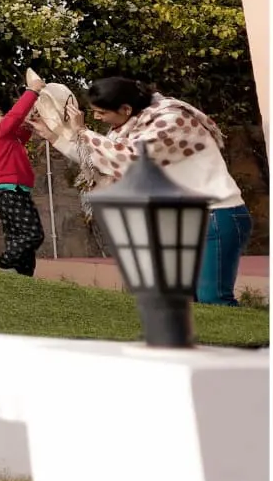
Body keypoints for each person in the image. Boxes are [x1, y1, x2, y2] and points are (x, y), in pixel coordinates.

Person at [75, 72, 252, 310]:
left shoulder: (172, 120)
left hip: (216, 215)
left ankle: (248, 346)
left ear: (126, 109)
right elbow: (102, 159)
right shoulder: (134, 129)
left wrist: (81, 133)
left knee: (214, 301)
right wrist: (54, 133)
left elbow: (129, 158)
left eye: (102, 112)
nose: (97, 117)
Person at [0, 75, 49, 279]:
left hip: (15, 191)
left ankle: (22, 274)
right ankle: (1, 266)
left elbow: (20, 135)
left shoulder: (1, 137)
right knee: (32, 235)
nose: (5, 118)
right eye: (0, 116)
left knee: (17, 237)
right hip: (11, 191)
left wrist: (28, 124)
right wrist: (32, 91)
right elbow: (13, 118)